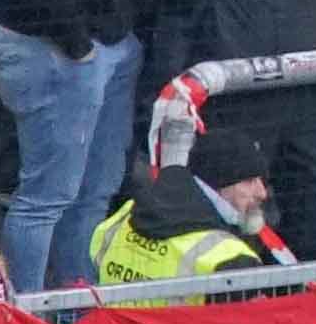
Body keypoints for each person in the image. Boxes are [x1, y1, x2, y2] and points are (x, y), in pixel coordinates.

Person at [89, 118, 290, 302]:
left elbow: (96, 255)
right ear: (218, 183)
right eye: (249, 181)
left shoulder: (127, 212)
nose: (262, 193)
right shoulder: (231, 259)